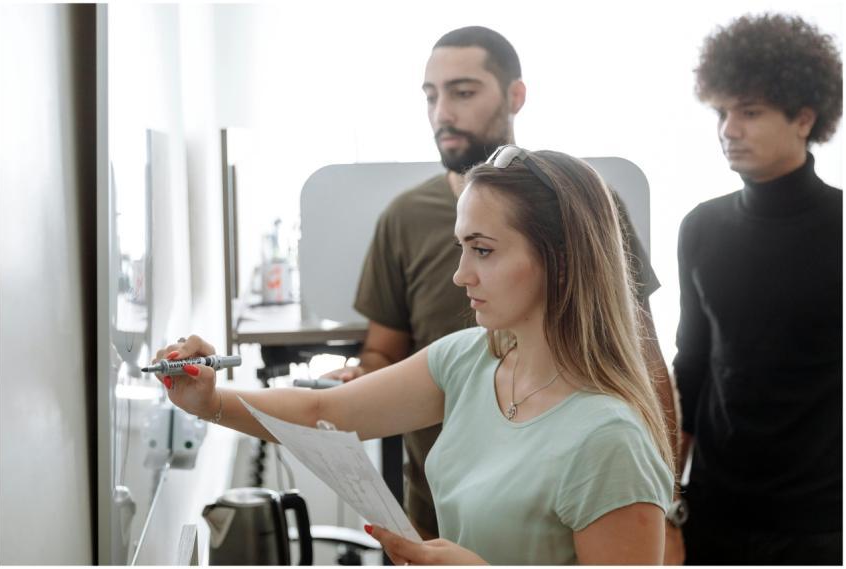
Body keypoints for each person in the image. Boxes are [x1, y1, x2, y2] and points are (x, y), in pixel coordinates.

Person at [155, 147, 675, 564]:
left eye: (484, 250)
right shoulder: (469, 360)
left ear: (560, 261)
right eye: (460, 248)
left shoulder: (610, 441)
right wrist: (210, 400)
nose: (461, 274)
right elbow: (325, 413)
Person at [323, 25, 682, 551]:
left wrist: (663, 506)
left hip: (556, 507)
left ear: (515, 95)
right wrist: (359, 379)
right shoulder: (403, 219)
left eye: (462, 92)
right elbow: (383, 349)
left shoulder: (579, 210)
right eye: (431, 95)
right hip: (434, 505)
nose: (442, 111)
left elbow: (641, 354)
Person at [674, 13, 842, 564]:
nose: (728, 129)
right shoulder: (701, 227)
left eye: (749, 112)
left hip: (822, 524)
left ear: (803, 117)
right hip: (715, 513)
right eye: (721, 112)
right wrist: (667, 491)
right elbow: (693, 368)